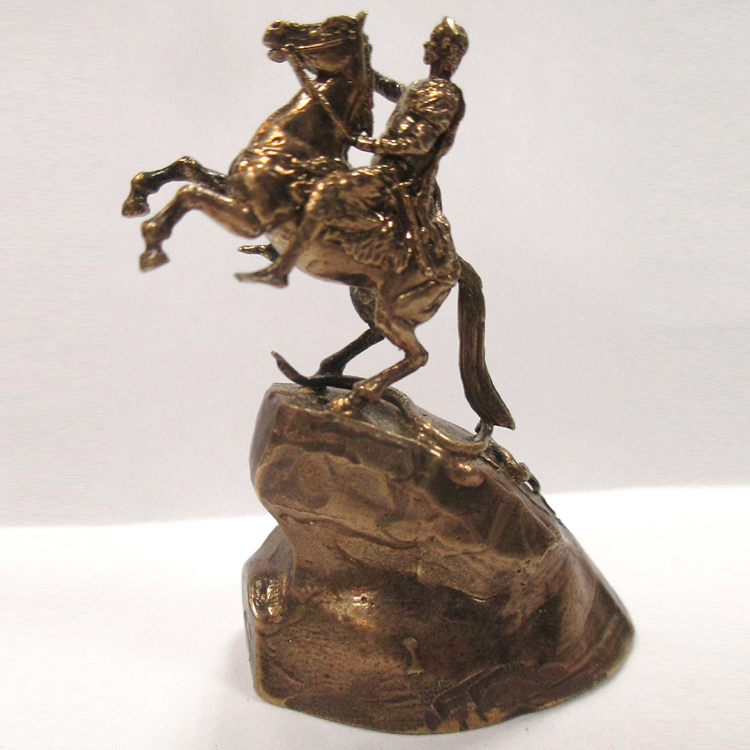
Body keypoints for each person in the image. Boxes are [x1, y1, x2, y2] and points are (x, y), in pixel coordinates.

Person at [246, 18, 469, 286]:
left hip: (397, 177)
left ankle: (281, 269)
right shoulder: (421, 87)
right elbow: (386, 86)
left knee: (329, 190)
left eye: (434, 42)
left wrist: (368, 144)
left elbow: (418, 143)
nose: (427, 45)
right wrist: (352, 62)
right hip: (383, 169)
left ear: (446, 52)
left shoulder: (444, 95)